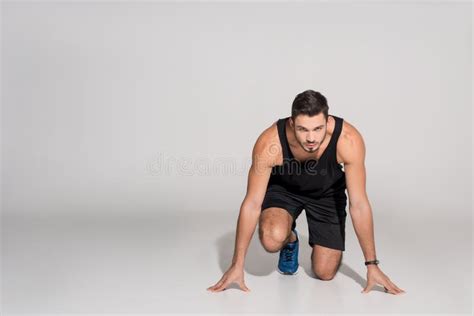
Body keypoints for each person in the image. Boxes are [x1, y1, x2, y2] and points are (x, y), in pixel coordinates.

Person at [207, 90, 406, 295]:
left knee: (325, 272)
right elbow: (251, 203)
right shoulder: (269, 143)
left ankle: (311, 243)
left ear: (328, 122)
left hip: (327, 194)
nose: (311, 138)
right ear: (292, 124)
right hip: (284, 190)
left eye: (318, 128)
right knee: (271, 237)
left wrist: (371, 264)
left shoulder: (348, 140)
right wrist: (237, 265)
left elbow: (359, 204)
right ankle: (290, 239)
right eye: (303, 129)